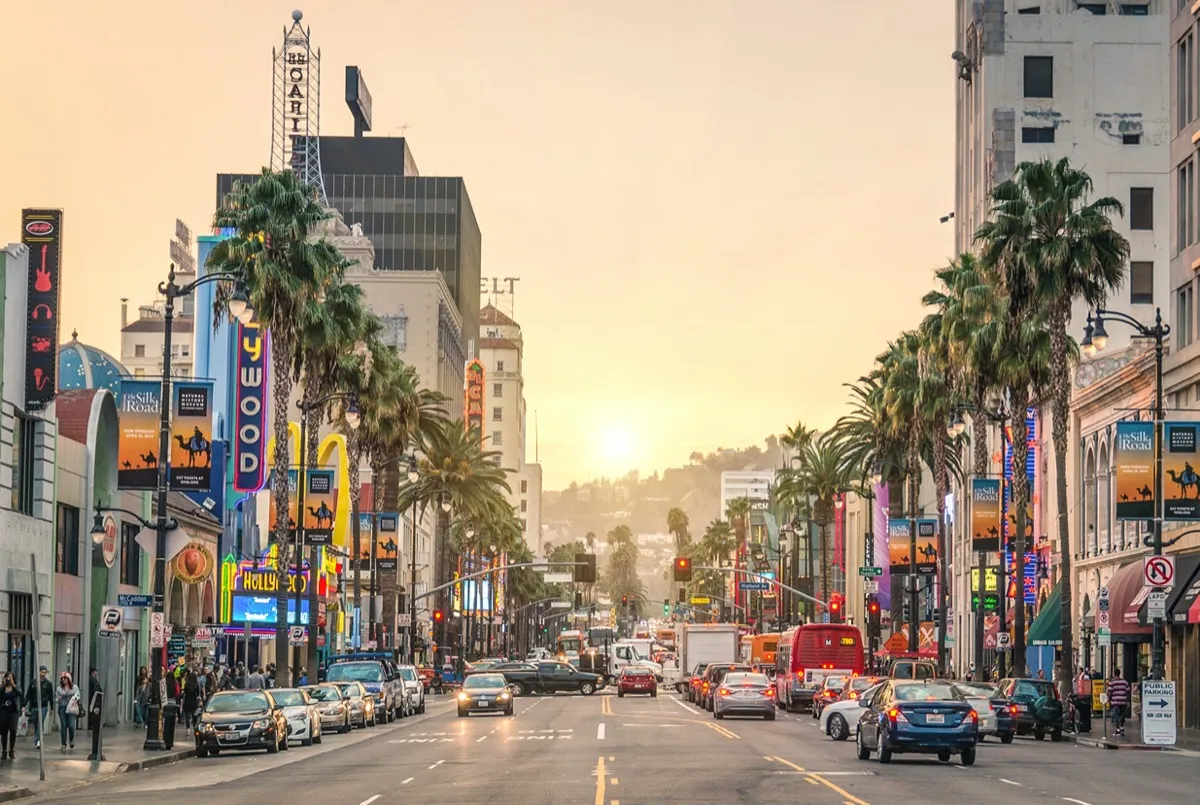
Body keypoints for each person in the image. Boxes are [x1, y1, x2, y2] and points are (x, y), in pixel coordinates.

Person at [28, 666, 53, 748]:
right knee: (36, 723)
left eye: (45, 672)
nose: (43, 674)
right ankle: (38, 738)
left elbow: (51, 696)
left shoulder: (48, 683)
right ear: (38, 672)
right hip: (34, 706)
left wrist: (51, 707)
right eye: (42, 672)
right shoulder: (33, 682)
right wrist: (24, 705)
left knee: (40, 721)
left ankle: (38, 740)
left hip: (43, 706)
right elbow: (29, 694)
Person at [0, 673, 23, 759]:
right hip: (3, 711)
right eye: (7, 677)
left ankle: (11, 750)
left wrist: (13, 685)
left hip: (13, 711)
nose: (9, 679)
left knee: (13, 730)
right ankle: (4, 751)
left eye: (11, 677)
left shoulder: (16, 687)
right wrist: (4, 684)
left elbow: (20, 694)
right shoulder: (2, 687)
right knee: (4, 732)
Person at [56, 673, 80, 750]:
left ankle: (71, 739)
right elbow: (56, 698)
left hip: (71, 708)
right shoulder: (59, 688)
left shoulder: (74, 687)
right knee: (63, 725)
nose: (63, 680)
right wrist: (58, 699)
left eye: (65, 678)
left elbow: (78, 695)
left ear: (69, 679)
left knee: (71, 725)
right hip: (62, 708)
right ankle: (63, 743)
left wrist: (75, 698)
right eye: (62, 678)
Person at [1107, 667, 1131, 737]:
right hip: (1123, 701)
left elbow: (1109, 692)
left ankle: (1118, 730)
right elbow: (1128, 691)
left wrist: (1109, 701)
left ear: (1114, 674)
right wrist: (1127, 701)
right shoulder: (1125, 682)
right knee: (1122, 716)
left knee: (1116, 716)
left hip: (1116, 702)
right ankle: (1122, 729)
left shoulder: (1112, 682)